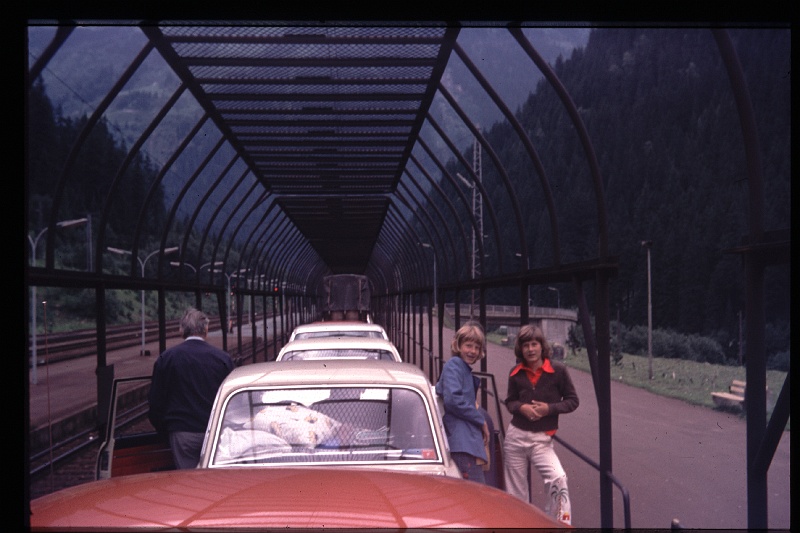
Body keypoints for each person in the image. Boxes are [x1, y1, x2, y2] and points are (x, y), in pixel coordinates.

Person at [503, 324, 579, 525]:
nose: (530, 349)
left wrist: (549, 409)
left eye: (534, 344)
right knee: (516, 491)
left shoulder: (558, 371)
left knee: (558, 478)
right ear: (520, 348)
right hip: (515, 437)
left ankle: (558, 524)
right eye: (525, 345)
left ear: (542, 346)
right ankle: (519, 526)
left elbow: (572, 401)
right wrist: (522, 408)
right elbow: (510, 402)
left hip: (542, 440)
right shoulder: (515, 372)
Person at [149, 307, 235, 469]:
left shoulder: (167, 359)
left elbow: (156, 402)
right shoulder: (222, 358)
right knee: (215, 477)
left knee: (188, 478)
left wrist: (166, 431)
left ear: (181, 330)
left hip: (182, 433)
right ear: (206, 330)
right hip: (215, 431)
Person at [435, 322, 490, 483]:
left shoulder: (461, 369)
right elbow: (453, 400)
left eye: (477, 348)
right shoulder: (454, 365)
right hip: (463, 443)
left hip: (465, 442)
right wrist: (481, 420)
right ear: (458, 345)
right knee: (476, 490)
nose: (472, 351)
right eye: (468, 346)